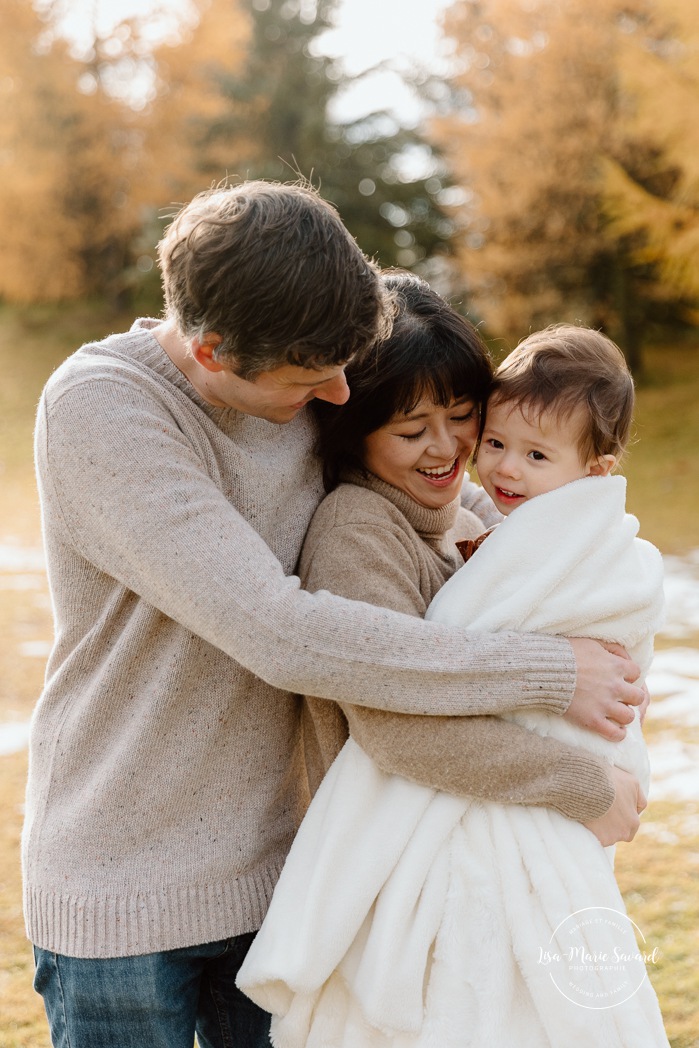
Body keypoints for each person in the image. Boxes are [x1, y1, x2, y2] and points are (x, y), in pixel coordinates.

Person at [25, 182, 644, 1048]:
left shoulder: (307, 382)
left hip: (291, 878)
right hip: (129, 889)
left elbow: (430, 485)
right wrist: (547, 672)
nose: (342, 394)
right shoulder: (104, 408)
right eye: (315, 379)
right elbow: (281, 630)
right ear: (211, 351)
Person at [237, 311, 668, 1046]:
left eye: (465, 421)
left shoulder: (471, 521)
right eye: (412, 431)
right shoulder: (359, 529)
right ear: (359, 429)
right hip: (445, 837)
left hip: (499, 817)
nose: (469, 456)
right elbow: (395, 720)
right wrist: (583, 778)